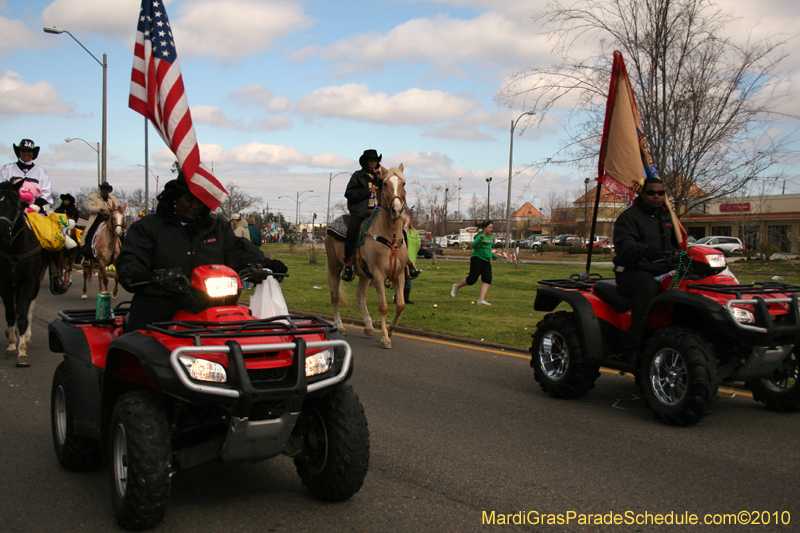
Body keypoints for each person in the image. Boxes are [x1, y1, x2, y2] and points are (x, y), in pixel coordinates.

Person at [117, 173, 287, 331]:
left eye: (200, 200)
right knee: (142, 340)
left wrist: (265, 265)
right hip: (161, 300)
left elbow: (238, 250)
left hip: (211, 302)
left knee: (246, 331)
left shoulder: (217, 228)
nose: (195, 206)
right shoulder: (147, 228)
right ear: (174, 199)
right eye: (189, 200)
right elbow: (131, 258)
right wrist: (138, 274)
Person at [612, 177, 679, 355]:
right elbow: (624, 247)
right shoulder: (629, 218)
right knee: (648, 289)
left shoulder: (667, 218)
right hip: (633, 271)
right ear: (642, 194)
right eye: (651, 193)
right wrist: (647, 252)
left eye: (660, 193)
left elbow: (678, 244)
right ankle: (635, 347)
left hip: (664, 270)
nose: (656, 196)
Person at [341, 149, 384, 281]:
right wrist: (367, 191)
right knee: (352, 232)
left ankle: (405, 264)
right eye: (371, 161)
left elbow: (386, 193)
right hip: (361, 211)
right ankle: (348, 264)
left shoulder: (379, 177)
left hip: (379, 212)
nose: (373, 163)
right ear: (365, 163)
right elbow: (349, 193)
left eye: (375, 161)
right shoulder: (357, 176)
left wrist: (382, 180)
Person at [450, 220, 497, 305]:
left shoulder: (490, 236)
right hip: (477, 258)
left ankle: (481, 300)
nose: (491, 229)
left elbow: (487, 248)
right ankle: (456, 286)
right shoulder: (479, 236)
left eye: (492, 227)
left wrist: (493, 255)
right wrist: (482, 237)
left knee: (487, 279)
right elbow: (474, 246)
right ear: (484, 228)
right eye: (489, 227)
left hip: (486, 260)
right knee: (472, 279)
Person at [0, 138, 54, 210]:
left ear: (33, 153)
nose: (26, 153)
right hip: (11, 209)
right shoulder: (7, 169)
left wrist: (35, 205)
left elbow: (47, 192)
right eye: (23, 150)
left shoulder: (41, 171)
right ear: (19, 152)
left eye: (29, 151)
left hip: (35, 209)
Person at [80, 182, 119, 264]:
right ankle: (87, 256)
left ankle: (121, 254)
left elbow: (116, 209)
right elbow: (89, 208)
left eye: (106, 191)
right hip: (98, 219)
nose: (105, 193)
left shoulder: (113, 198)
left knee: (119, 233)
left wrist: (112, 210)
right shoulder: (93, 197)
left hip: (110, 219)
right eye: (104, 191)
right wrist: (100, 208)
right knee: (90, 234)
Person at [402, 215, 422, 304]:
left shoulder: (414, 232)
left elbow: (418, 243)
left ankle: (405, 298)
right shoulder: (401, 230)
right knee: (401, 279)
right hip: (402, 258)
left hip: (411, 258)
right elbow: (402, 238)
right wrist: (405, 226)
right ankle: (399, 297)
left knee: (409, 279)